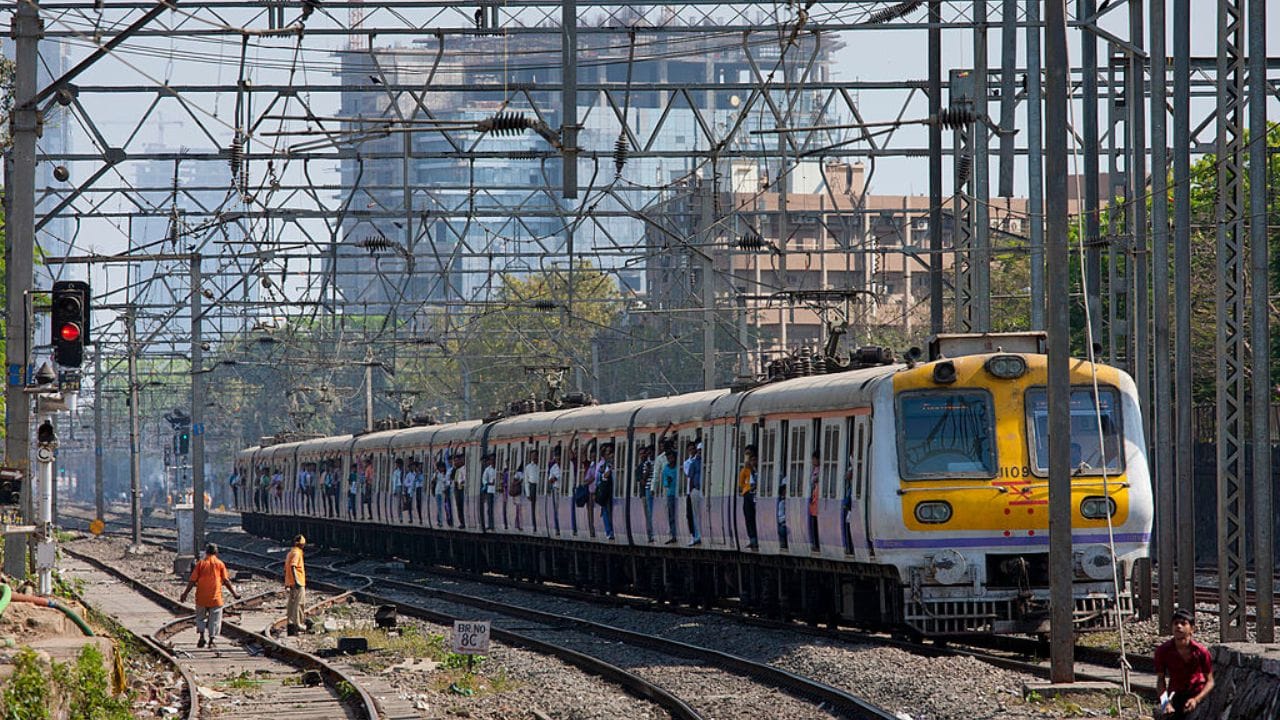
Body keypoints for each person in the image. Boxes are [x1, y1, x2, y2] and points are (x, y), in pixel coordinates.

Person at [1155, 608, 1214, 718]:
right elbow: (1160, 680)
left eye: (1183, 623)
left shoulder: (1201, 651)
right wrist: (1165, 703)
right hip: (1176, 694)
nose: (1178, 626)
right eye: (1176, 623)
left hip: (1198, 695)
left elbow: (1210, 682)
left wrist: (1196, 700)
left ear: (1192, 629)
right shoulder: (1163, 651)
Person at [179, 543, 240, 649]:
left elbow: (192, 580)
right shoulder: (220, 564)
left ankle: (202, 636)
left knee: (200, 617)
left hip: (201, 597)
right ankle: (212, 640)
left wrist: (185, 594)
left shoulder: (201, 564)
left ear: (206, 552)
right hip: (215, 597)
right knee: (215, 619)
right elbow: (226, 580)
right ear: (216, 553)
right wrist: (234, 593)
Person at [284, 534, 307, 636]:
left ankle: (291, 625)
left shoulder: (290, 553)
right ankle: (298, 625)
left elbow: (286, 569)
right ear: (301, 544)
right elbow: (293, 566)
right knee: (299, 604)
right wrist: (297, 581)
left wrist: (287, 583)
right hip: (298, 582)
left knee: (291, 605)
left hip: (291, 582)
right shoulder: (297, 553)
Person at [739, 445, 759, 550]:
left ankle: (757, 538)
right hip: (748, 493)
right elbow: (741, 483)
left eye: (749, 454)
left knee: (756, 517)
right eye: (746, 454)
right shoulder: (745, 470)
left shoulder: (759, 469)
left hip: (756, 494)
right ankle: (752, 539)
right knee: (748, 517)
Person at [684, 441, 702, 545]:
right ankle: (694, 535)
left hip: (700, 491)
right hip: (692, 491)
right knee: (691, 515)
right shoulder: (690, 463)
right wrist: (691, 491)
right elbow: (689, 476)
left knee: (698, 514)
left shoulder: (700, 461)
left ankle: (698, 535)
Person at [635, 445, 655, 543]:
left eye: (645, 453)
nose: (643, 455)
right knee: (647, 514)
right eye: (641, 454)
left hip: (651, 491)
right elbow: (641, 481)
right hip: (644, 493)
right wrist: (647, 471)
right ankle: (649, 535)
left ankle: (651, 533)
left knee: (650, 514)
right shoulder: (640, 467)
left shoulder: (651, 463)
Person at [596, 444, 615, 540]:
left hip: (610, 491)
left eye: (611, 452)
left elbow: (604, 475)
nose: (610, 455)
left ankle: (610, 531)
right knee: (605, 511)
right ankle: (609, 531)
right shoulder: (604, 465)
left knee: (606, 511)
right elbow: (602, 476)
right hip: (605, 491)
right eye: (608, 453)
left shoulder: (609, 464)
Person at [662, 448, 679, 544]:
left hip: (678, 493)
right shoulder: (666, 469)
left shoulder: (678, 467)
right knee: (671, 515)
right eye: (669, 458)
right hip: (671, 494)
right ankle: (673, 534)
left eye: (672, 457)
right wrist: (667, 481)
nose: (670, 459)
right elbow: (665, 484)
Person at [524, 449, 541, 533]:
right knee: (533, 507)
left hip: (540, 486)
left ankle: (541, 523)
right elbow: (526, 481)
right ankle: (534, 526)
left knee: (540, 506)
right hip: (532, 486)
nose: (534, 457)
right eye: (532, 455)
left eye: (535, 455)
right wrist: (528, 493)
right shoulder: (528, 467)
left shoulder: (541, 465)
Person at [547, 446, 563, 536]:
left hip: (564, 491)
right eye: (556, 456)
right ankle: (557, 528)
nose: (557, 458)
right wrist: (553, 479)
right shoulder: (554, 467)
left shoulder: (566, 465)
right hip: (556, 489)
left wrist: (555, 478)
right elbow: (550, 479)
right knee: (556, 510)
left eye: (559, 456)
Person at [808, 451, 822, 552]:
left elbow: (813, 480)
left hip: (817, 499)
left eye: (814, 459)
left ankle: (817, 543)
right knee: (814, 521)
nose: (813, 461)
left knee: (815, 522)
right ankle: (815, 543)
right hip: (814, 499)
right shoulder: (815, 469)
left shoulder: (819, 470)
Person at [480, 453, 497, 531]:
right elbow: (484, 479)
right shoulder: (488, 469)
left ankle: (495, 524)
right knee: (489, 509)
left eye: (493, 459)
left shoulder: (498, 469)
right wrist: (487, 483)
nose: (492, 461)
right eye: (491, 459)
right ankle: (490, 524)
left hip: (496, 491)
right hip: (490, 490)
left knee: (495, 508)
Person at [433, 458, 452, 527]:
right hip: (438, 492)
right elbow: (436, 479)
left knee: (441, 507)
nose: (442, 468)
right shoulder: (437, 474)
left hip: (442, 492)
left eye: (443, 467)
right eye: (441, 467)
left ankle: (439, 520)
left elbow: (447, 482)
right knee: (439, 507)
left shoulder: (444, 474)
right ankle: (440, 521)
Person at [451, 451, 467, 529]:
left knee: (462, 506)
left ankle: (464, 522)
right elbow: (451, 477)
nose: (456, 462)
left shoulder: (465, 469)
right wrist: (454, 468)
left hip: (462, 489)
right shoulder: (456, 469)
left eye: (457, 461)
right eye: (455, 461)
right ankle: (461, 522)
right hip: (457, 488)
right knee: (459, 507)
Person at [776, 477, 789, 550]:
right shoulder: (781, 503)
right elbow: (780, 518)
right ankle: (783, 544)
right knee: (782, 529)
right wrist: (786, 518)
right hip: (784, 524)